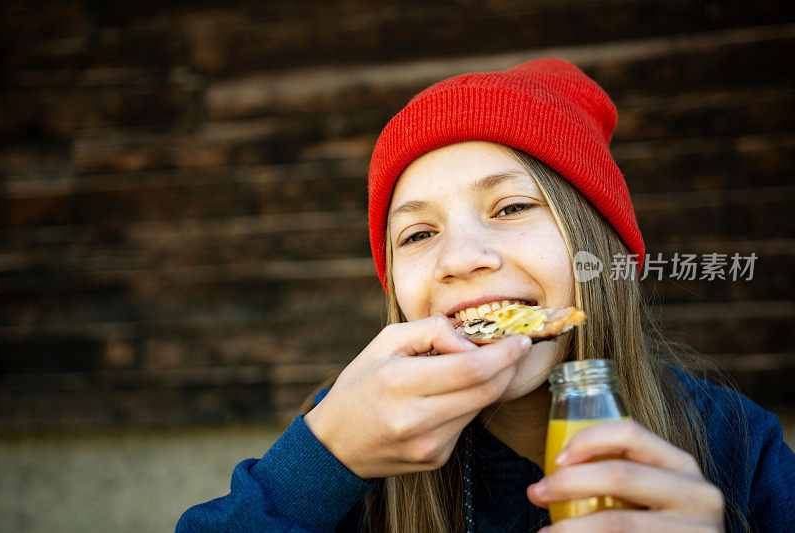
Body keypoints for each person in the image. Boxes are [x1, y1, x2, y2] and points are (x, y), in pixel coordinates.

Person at [176, 58, 795, 532]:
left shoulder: (736, 442)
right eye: (418, 234)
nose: (461, 258)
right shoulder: (353, 437)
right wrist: (322, 459)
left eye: (512, 206)